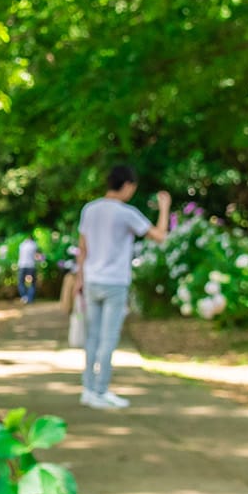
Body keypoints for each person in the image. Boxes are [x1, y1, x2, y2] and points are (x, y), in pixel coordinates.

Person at [71, 164, 170, 409]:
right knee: (108, 338)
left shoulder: (89, 210)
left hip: (92, 280)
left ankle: (88, 388)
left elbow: (82, 249)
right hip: (115, 282)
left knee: (92, 337)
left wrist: (79, 278)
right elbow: (160, 236)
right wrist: (165, 208)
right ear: (126, 186)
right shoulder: (126, 213)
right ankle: (101, 390)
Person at [17, 236, 40, 304]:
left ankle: (24, 297)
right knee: (32, 283)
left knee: (21, 282)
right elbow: (37, 256)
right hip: (31, 266)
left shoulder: (21, 245)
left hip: (22, 266)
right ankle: (30, 299)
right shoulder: (34, 245)